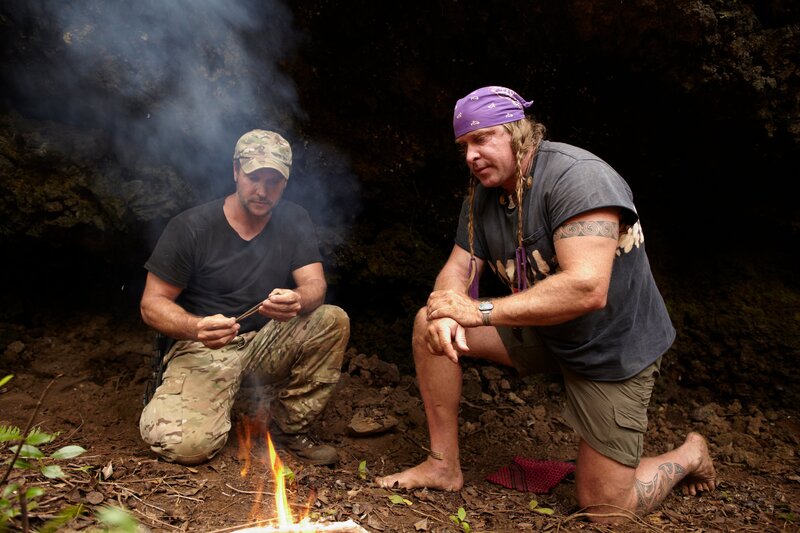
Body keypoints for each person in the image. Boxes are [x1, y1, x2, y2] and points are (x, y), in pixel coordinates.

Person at [375, 86, 716, 522]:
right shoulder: (482, 194)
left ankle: (690, 453)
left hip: (610, 349)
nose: (470, 156)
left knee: (606, 510)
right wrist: (446, 304)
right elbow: (459, 267)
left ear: (519, 134)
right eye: (463, 145)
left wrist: (477, 310)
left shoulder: (579, 178)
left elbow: (586, 288)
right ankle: (444, 466)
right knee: (430, 321)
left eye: (482, 139)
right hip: (543, 330)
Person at [139, 129, 350, 467]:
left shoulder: (294, 219)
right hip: (204, 347)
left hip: (264, 342)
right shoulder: (191, 227)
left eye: (273, 182)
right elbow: (152, 304)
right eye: (254, 178)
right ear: (235, 171)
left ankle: (290, 428)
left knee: (331, 319)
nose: (262, 191)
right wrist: (195, 327)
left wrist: (296, 299)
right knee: (185, 446)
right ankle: (201, 396)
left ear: (285, 182)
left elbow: (315, 285)